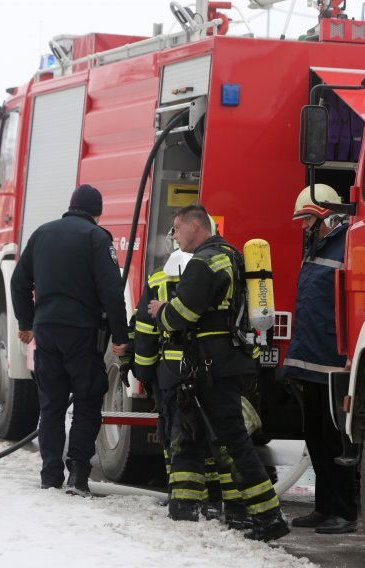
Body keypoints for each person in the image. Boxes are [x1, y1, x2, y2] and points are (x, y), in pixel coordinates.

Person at [147, 204, 289, 542]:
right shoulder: (231, 255)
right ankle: (185, 510)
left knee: (233, 442)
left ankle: (268, 516)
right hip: (225, 363)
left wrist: (160, 311)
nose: (175, 236)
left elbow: (182, 314)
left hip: (211, 367)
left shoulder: (203, 262)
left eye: (177, 229)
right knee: (196, 434)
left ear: (195, 226)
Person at [11, 184, 129, 496]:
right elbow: (112, 291)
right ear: (97, 213)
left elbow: (19, 280)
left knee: (51, 403)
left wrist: (26, 322)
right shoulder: (96, 238)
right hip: (81, 333)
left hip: (46, 330)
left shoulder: (42, 234)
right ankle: (77, 474)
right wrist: (120, 335)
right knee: (88, 400)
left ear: (70, 206)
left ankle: (50, 474)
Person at [133, 242, 250, 529]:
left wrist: (144, 372)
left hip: (171, 374)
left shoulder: (158, 279)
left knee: (180, 438)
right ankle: (221, 503)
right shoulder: (220, 271)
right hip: (212, 368)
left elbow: (145, 330)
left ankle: (184, 503)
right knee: (217, 438)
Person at [281, 184, 358, 535]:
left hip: (333, 361)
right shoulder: (317, 247)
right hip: (311, 359)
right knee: (314, 435)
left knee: (334, 439)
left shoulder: (350, 245)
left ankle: (343, 511)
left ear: (324, 216)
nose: (302, 226)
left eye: (306, 219)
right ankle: (324, 508)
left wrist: (350, 356)